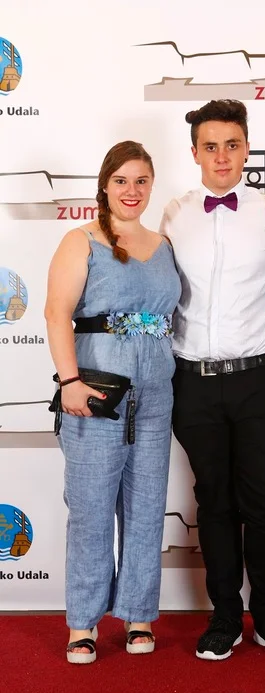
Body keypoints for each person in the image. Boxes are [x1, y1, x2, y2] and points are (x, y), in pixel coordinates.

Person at [160, 100, 265, 661]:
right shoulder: (174, 215)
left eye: (232, 145)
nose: (222, 156)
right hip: (193, 382)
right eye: (210, 146)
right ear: (194, 152)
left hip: (260, 381)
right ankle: (223, 617)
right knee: (214, 502)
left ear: (247, 150)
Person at [45, 141, 181, 664]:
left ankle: (138, 615)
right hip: (95, 393)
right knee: (91, 510)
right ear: (104, 185)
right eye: (122, 180)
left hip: (156, 395)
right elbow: (56, 313)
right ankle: (82, 623)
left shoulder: (164, 245)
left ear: (152, 186)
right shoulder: (81, 240)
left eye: (141, 181)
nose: (132, 190)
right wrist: (69, 381)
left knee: (146, 508)